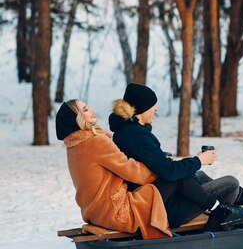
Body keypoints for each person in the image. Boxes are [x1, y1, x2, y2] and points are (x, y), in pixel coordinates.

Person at [108, 83, 243, 230]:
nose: (155, 109)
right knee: (231, 183)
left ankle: (240, 199)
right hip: (166, 208)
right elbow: (169, 172)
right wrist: (199, 160)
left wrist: (179, 162)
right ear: (141, 109)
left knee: (198, 174)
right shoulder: (135, 135)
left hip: (158, 193)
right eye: (152, 106)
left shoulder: (127, 131)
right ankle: (221, 216)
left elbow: (152, 162)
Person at [56, 100, 170, 239]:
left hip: (94, 213)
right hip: (117, 213)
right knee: (173, 182)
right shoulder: (96, 142)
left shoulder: (74, 146)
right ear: (77, 118)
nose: (91, 109)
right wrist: (160, 167)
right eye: (85, 110)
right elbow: (132, 171)